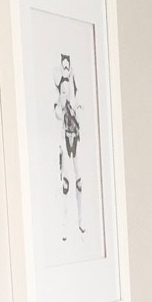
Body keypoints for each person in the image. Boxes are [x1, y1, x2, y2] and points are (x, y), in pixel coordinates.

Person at [53, 53, 86, 237]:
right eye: (63, 67)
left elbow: (81, 111)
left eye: (68, 67)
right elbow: (57, 112)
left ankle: (81, 219)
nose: (66, 70)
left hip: (76, 137)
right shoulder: (60, 93)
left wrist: (75, 110)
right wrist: (62, 104)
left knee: (79, 180)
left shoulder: (76, 95)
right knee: (65, 182)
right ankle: (65, 223)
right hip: (65, 137)